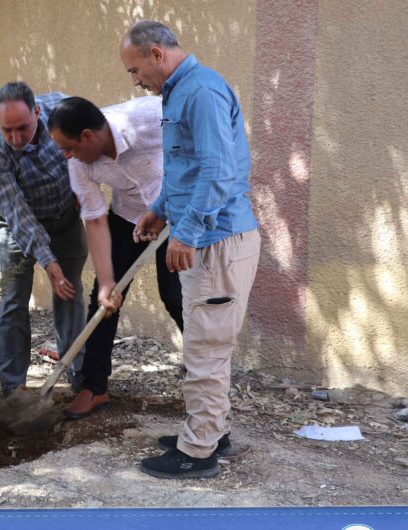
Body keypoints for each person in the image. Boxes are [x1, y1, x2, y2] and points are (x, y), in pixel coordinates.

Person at [120, 20, 261, 478]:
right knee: (204, 344)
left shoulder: (200, 91)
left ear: (157, 54)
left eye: (135, 69)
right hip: (208, 236)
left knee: (206, 349)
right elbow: (187, 166)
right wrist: (160, 209)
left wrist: (187, 233)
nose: (135, 80)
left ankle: (199, 450)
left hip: (217, 241)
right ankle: (210, 430)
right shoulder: (179, 91)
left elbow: (218, 171)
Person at [47, 95, 184, 420]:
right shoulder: (79, 163)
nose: (65, 156)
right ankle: (94, 388)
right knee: (103, 298)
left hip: (179, 213)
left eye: (69, 147)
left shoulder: (149, 116)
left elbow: (199, 143)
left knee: (177, 296)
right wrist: (108, 281)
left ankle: (204, 380)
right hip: (129, 214)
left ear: (88, 137)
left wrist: (174, 206)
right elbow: (94, 219)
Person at [0, 81, 88, 397]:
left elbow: (89, 145)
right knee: (14, 298)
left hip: (64, 216)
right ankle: (14, 388)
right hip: (15, 225)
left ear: (38, 112)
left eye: (22, 128)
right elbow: (18, 215)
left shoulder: (64, 110)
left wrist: (82, 186)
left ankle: (78, 373)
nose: (15, 138)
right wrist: (47, 260)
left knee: (69, 290)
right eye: (6, 130)